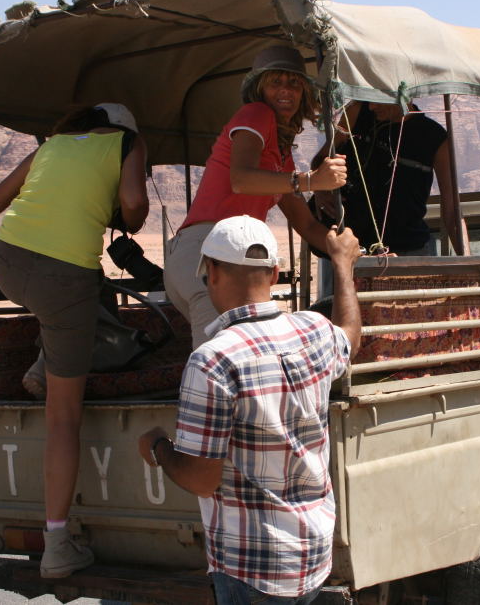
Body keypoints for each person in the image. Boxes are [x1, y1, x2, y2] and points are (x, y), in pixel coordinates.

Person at [0, 102, 149, 579]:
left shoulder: (50, 147)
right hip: (64, 281)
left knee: (84, 296)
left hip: (7, 261)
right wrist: (128, 217)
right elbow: (133, 206)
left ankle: (42, 361)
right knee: (64, 418)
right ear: (123, 130)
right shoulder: (128, 143)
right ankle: (57, 545)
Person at [139, 215, 362, 604]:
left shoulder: (212, 361)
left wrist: (159, 447)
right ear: (275, 273)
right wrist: (342, 266)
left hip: (253, 568)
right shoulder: (314, 331)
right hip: (311, 555)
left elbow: (201, 479)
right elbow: (350, 337)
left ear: (211, 273)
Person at [164, 45, 347, 348]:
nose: (285, 90)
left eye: (293, 83)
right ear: (260, 89)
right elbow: (241, 179)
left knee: (234, 357)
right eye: (275, 82)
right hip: (206, 253)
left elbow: (308, 226)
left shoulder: (280, 157)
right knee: (224, 360)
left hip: (211, 258)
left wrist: (351, 252)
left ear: (304, 91)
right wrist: (313, 180)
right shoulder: (256, 113)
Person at [313, 100, 465, 257]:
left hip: (407, 249)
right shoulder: (357, 113)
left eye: (377, 99)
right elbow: (321, 159)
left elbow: (452, 212)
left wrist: (474, 266)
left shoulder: (435, 138)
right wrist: (320, 188)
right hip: (350, 247)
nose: (371, 106)